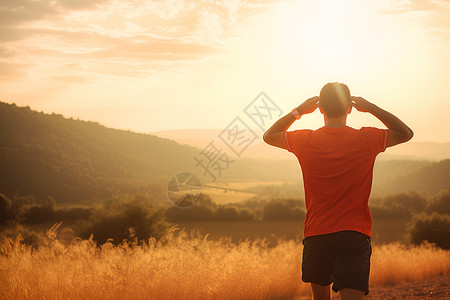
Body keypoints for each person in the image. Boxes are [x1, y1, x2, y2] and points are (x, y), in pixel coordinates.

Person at [263, 82, 413, 300]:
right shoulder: (366, 139)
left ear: (320, 108)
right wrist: (370, 107)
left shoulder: (304, 140)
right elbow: (406, 132)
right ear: (350, 108)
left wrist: (299, 111)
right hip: (354, 234)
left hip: (317, 234)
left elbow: (269, 135)